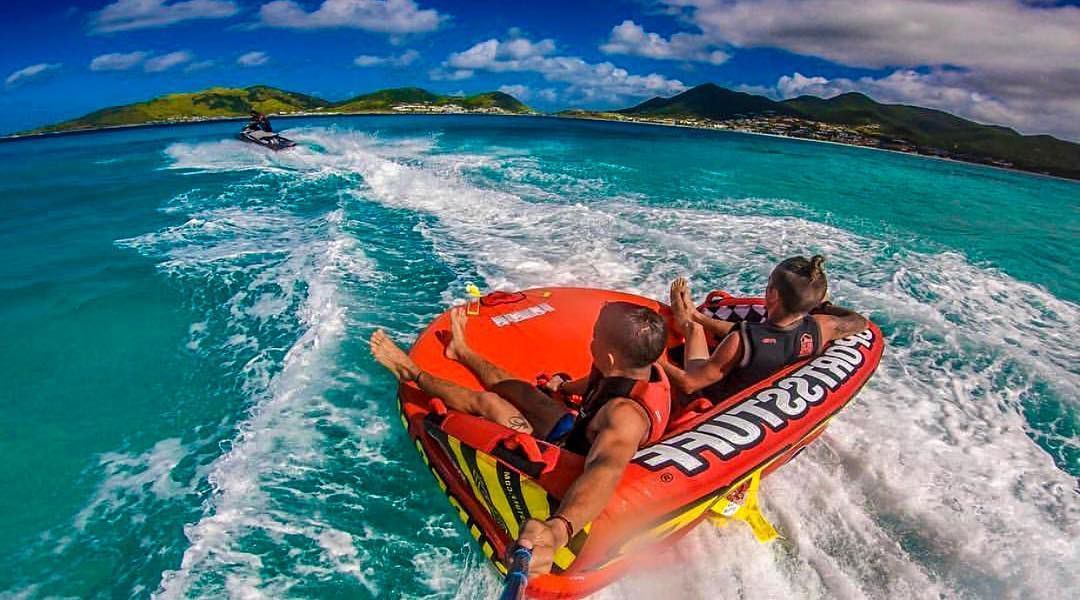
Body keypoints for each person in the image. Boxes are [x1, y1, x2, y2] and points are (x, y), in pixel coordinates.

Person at [370, 301, 670, 576]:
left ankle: (409, 371)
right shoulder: (629, 367)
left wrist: (558, 530)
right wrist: (564, 389)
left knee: (490, 404)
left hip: (564, 464)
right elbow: (599, 381)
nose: (590, 340)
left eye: (595, 336)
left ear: (608, 354)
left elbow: (606, 467)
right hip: (576, 432)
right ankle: (462, 351)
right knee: (522, 391)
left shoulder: (625, 417)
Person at [663, 255, 868, 402]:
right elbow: (859, 321)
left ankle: (689, 321)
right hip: (767, 376)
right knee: (749, 333)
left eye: (769, 284)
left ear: (773, 295)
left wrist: (655, 360)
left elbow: (690, 383)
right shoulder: (823, 327)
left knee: (694, 330)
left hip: (722, 398)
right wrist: (821, 306)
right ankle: (697, 316)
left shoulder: (741, 341)